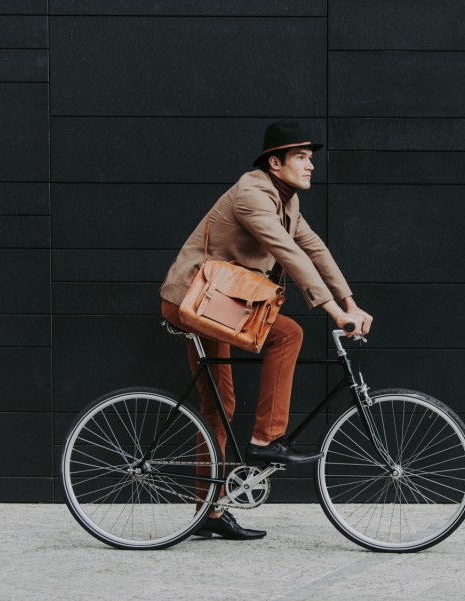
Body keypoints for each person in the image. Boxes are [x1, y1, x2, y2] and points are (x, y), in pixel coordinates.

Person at [159, 122, 373, 541]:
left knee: (221, 402)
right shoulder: (252, 194)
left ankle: (210, 509)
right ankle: (266, 438)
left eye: (312, 158)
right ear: (275, 162)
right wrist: (332, 311)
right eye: (302, 157)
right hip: (194, 299)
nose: (311, 165)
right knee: (281, 340)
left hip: (221, 300)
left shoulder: (286, 203)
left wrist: (349, 302)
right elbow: (286, 251)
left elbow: (314, 248)